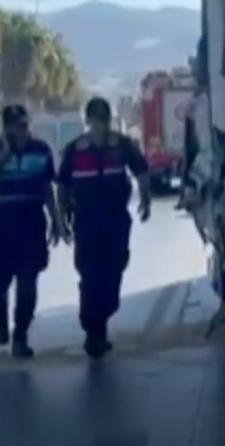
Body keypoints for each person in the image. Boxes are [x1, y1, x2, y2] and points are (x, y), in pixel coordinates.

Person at [57, 96, 152, 358]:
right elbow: (62, 186)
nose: (99, 125)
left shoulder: (123, 145)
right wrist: (61, 220)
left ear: (109, 120)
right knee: (89, 275)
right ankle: (93, 332)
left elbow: (141, 171)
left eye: (104, 119)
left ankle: (102, 318)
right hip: (86, 222)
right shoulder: (74, 150)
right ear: (88, 121)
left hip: (115, 221)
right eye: (95, 119)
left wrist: (146, 200)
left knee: (114, 270)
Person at [0, 104, 65, 358]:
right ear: (6, 128)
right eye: (15, 127)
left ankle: (21, 336)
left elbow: (47, 188)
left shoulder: (41, 150)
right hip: (2, 228)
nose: (21, 131)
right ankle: (0, 318)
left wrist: (56, 221)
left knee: (27, 284)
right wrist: (4, 153)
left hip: (31, 226)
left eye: (24, 125)